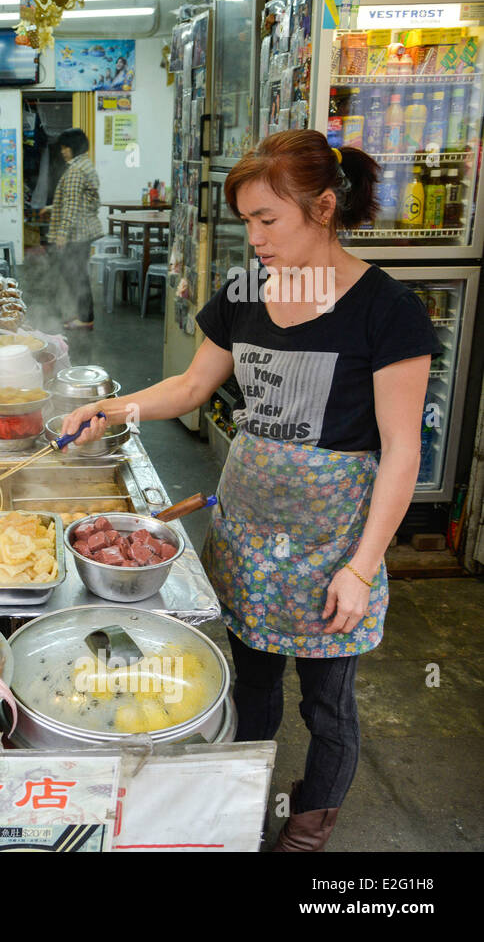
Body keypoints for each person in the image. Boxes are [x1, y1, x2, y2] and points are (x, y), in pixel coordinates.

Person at [61, 130, 441, 851]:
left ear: (324, 207)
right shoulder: (244, 294)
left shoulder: (388, 311)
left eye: (269, 219)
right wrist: (107, 408)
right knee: (254, 683)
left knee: (328, 705)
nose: (255, 238)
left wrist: (361, 567)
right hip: (249, 528)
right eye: (248, 222)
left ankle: (307, 824)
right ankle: (243, 800)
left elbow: (400, 452)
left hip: (336, 545)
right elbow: (190, 385)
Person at [46, 127, 103, 331]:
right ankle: (82, 314)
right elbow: (82, 200)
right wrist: (53, 207)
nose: (63, 151)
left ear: (74, 148)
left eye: (66, 147)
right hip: (84, 231)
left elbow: (71, 205)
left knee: (76, 276)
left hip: (77, 234)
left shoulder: (76, 171)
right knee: (77, 274)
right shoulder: (85, 165)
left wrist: (62, 234)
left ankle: (86, 318)